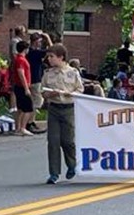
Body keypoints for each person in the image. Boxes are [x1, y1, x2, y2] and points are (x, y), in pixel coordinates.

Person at [40, 44, 85, 184]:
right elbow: (43, 91)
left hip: (69, 108)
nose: (49, 59)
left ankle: (72, 164)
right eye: (49, 56)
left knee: (68, 141)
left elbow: (80, 89)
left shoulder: (72, 72)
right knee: (53, 141)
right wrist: (49, 94)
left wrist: (70, 93)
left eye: (52, 57)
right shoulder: (48, 73)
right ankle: (54, 173)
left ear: (61, 57)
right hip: (54, 108)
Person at [10, 40, 35, 135]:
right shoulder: (21, 60)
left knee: (20, 109)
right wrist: (26, 88)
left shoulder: (18, 59)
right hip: (22, 87)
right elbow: (21, 74)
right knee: (28, 108)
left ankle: (18, 128)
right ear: (25, 49)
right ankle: (23, 128)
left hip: (19, 86)